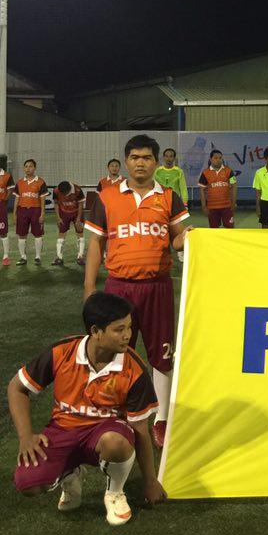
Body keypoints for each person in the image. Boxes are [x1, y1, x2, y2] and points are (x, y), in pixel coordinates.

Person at [9, 291, 165, 526]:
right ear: (95, 331)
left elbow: (140, 429)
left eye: (129, 327)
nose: (128, 335)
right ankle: (71, 476)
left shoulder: (134, 369)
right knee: (27, 483)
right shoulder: (61, 352)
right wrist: (25, 437)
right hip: (63, 430)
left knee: (117, 442)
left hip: (105, 433)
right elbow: (16, 388)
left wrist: (150, 481)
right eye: (119, 329)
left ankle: (114, 493)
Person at [83, 135, 190, 447]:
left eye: (146, 157)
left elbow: (177, 238)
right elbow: (96, 244)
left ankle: (162, 421)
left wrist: (184, 239)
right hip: (118, 288)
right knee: (114, 352)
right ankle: (117, 413)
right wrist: (90, 289)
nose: (140, 163)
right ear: (126, 161)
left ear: (156, 162)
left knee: (162, 354)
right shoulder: (106, 196)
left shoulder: (169, 197)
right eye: (135, 157)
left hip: (157, 286)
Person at [15, 159, 49, 266]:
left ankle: (38, 257)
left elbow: (43, 199)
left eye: (30, 166)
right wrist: (15, 213)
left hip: (36, 210)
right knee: (21, 234)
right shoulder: (20, 182)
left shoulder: (41, 182)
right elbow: (17, 198)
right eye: (26, 166)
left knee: (38, 234)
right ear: (24, 168)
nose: (28, 168)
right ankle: (23, 257)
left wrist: (42, 213)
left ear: (35, 168)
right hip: (22, 210)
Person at [197, 149, 238, 228]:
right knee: (214, 230)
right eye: (216, 158)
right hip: (212, 208)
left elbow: (234, 186)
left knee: (230, 228)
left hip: (227, 207)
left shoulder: (229, 171)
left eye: (220, 158)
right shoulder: (205, 173)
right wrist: (204, 206)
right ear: (210, 159)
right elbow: (202, 190)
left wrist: (233, 203)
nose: (218, 160)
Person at [52, 181, 86, 266]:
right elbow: (56, 203)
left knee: (80, 232)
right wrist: (58, 217)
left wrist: (78, 219)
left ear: (70, 190)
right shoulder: (56, 191)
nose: (64, 196)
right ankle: (59, 257)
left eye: (65, 193)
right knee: (61, 234)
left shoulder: (77, 190)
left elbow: (81, 204)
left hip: (77, 212)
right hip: (63, 213)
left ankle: (80, 257)